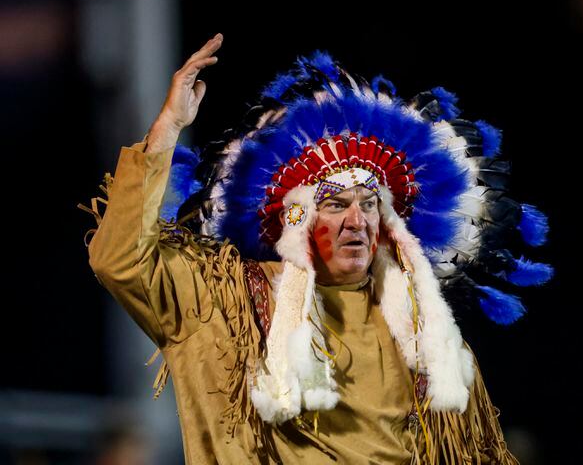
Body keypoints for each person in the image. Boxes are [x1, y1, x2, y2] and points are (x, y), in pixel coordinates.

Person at [80, 32, 553, 464]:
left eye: (370, 203)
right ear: (296, 218)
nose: (357, 220)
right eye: (335, 203)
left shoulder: (426, 334)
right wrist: (167, 129)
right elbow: (119, 258)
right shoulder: (223, 303)